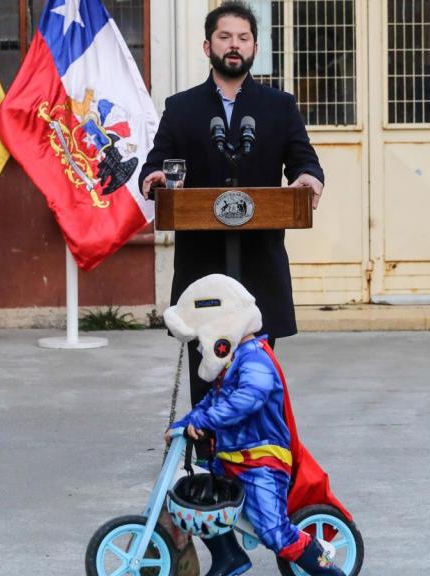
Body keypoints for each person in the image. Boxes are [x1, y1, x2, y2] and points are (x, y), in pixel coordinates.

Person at [139, 3, 324, 457]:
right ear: (208, 46)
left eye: (243, 38)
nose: (234, 45)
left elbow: (304, 160)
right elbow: (155, 163)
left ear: (255, 47)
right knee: (207, 365)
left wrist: (308, 179)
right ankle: (207, 465)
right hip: (203, 266)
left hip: (259, 264)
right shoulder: (181, 108)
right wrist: (156, 178)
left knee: (256, 371)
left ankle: (261, 461)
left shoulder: (278, 106)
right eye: (225, 37)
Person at [163, 274, 349, 576]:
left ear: (219, 332)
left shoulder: (255, 363)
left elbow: (246, 399)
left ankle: (330, 572)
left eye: (200, 340)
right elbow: (212, 400)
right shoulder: (235, 362)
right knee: (201, 501)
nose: (199, 348)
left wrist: (204, 420)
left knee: (275, 533)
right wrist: (185, 424)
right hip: (232, 457)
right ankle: (230, 559)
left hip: (262, 462)